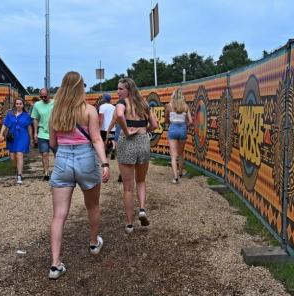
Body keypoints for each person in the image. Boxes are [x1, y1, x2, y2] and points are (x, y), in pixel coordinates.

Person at [47, 71, 110, 279]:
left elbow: (53, 144)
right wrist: (105, 163)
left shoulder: (56, 111)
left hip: (63, 159)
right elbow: (96, 140)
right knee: (92, 205)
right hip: (85, 158)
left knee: (59, 215)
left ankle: (55, 264)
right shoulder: (89, 110)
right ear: (81, 87)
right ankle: (93, 243)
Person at [115, 77, 158, 234]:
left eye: (120, 89)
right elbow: (154, 125)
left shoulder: (122, 103)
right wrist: (143, 132)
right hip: (143, 142)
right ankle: (141, 209)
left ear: (128, 90)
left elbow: (120, 115)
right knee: (141, 181)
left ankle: (129, 224)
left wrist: (126, 131)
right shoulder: (144, 104)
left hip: (127, 142)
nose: (117, 91)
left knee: (127, 187)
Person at [0, 98, 33, 184]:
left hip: (23, 137)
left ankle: (19, 175)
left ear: (23, 105)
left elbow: (29, 128)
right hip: (12, 137)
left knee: (19, 154)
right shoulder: (10, 115)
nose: (18, 105)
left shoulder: (26, 116)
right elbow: (5, 124)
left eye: (20, 104)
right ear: (15, 105)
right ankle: (18, 169)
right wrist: (1, 134)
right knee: (13, 157)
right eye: (17, 104)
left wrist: (31, 138)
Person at [165, 88, 193, 183]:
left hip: (172, 129)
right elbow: (191, 121)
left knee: (173, 155)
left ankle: (175, 177)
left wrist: (171, 122)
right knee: (180, 153)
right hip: (182, 130)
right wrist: (185, 126)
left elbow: (166, 120)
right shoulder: (185, 106)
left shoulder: (169, 106)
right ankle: (180, 173)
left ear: (173, 96)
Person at [31, 88, 55, 180]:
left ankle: (58, 172)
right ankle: (46, 173)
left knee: (58, 154)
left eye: (45, 96)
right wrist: (35, 133)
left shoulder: (55, 103)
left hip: (54, 133)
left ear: (49, 94)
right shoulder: (37, 105)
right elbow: (35, 119)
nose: (43, 98)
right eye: (41, 97)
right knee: (44, 154)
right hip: (42, 133)